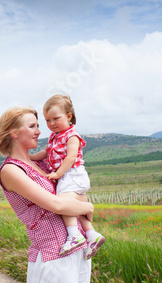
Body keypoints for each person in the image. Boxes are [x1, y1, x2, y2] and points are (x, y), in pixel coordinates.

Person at [0, 106, 94, 282]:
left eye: (38, 125)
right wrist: (88, 206)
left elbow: (76, 193)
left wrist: (81, 203)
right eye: (32, 126)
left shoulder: (44, 165)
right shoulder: (10, 170)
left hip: (79, 250)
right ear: (14, 132)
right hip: (54, 256)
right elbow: (57, 205)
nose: (39, 131)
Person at [30, 94, 105, 259]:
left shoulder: (71, 135)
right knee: (76, 210)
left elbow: (71, 157)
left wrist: (57, 173)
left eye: (55, 119)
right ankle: (92, 235)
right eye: (47, 120)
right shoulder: (55, 136)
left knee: (64, 203)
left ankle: (74, 236)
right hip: (69, 176)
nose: (51, 124)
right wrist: (31, 158)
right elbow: (46, 152)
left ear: (69, 116)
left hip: (72, 174)